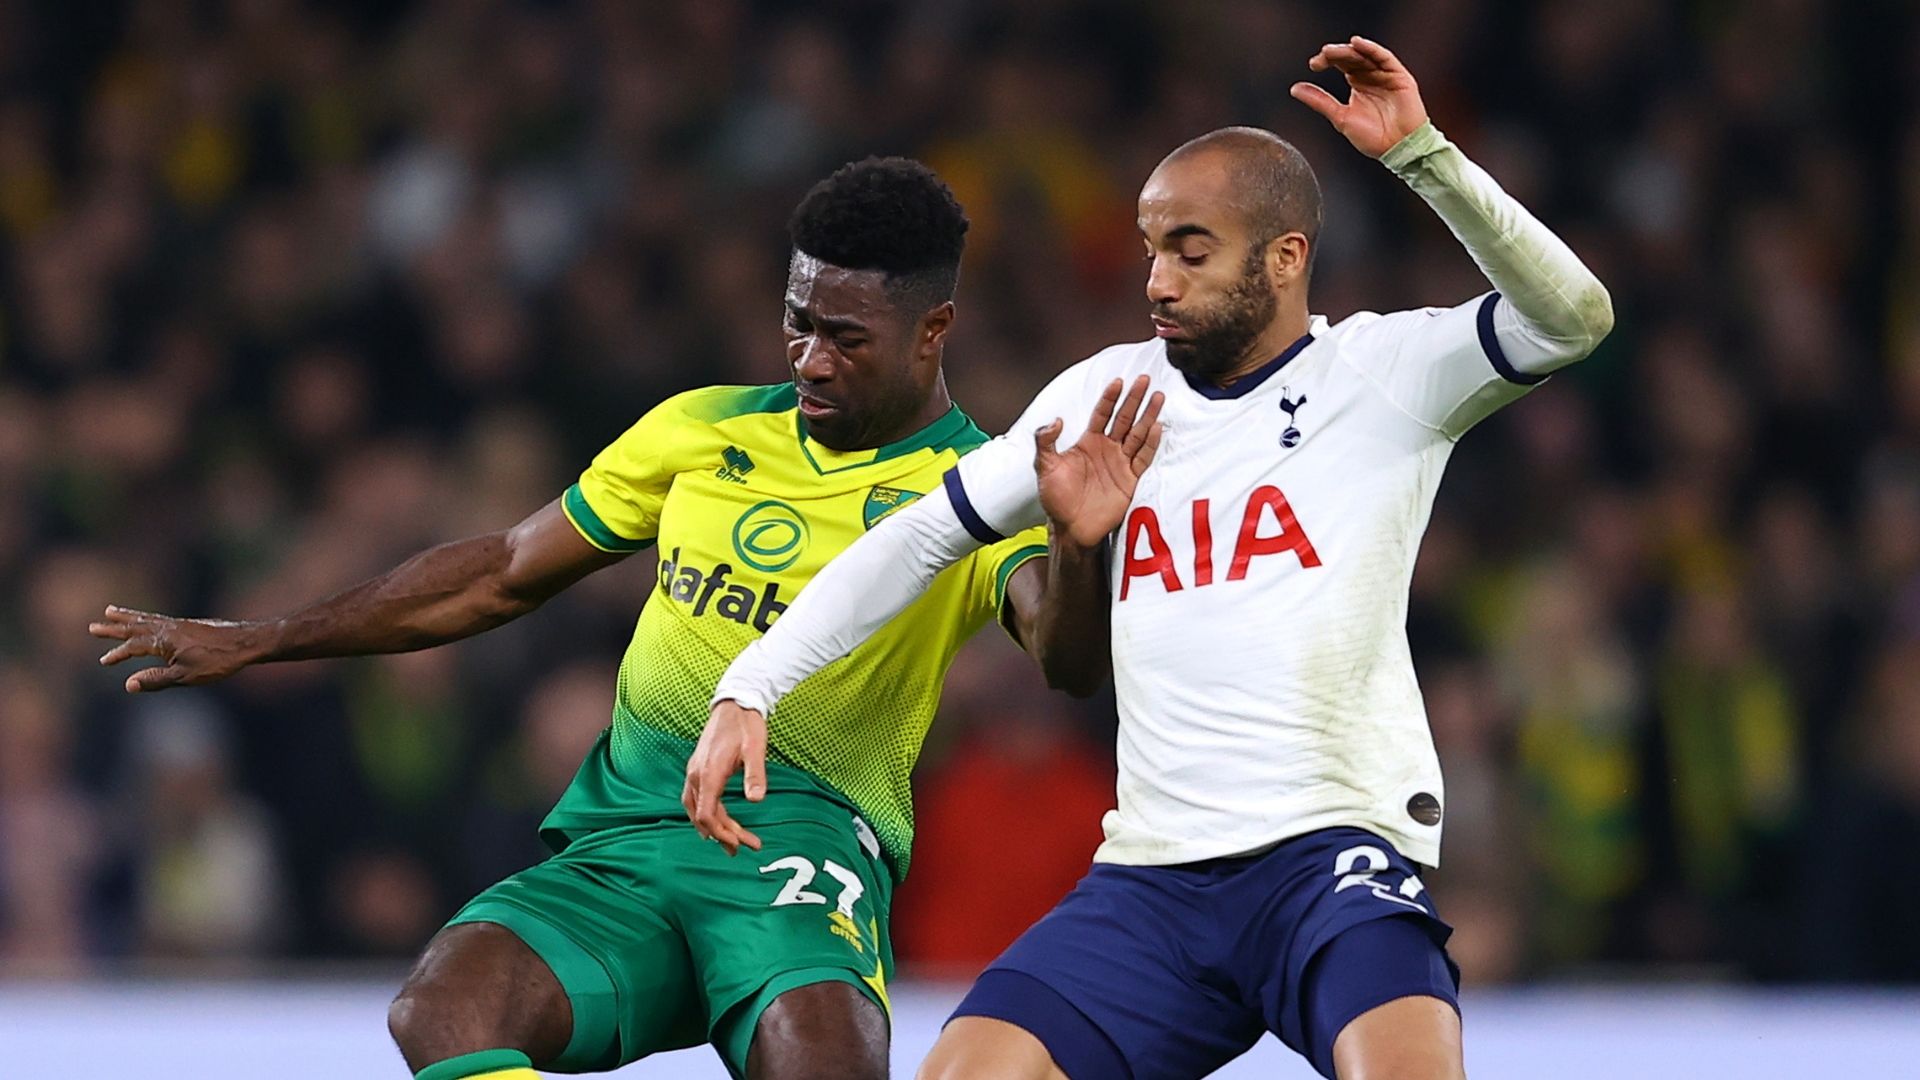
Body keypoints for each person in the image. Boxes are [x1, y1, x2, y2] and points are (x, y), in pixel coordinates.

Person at [88, 158, 1154, 1080]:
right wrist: (266, 637)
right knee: (444, 1007)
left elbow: (1066, 664)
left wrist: (1078, 543)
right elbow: (503, 570)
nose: (810, 358)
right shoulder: (703, 429)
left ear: (933, 330)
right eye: (797, 322)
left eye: (846, 337)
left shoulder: (976, 483)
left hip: (800, 837)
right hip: (631, 832)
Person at [692, 37, 1613, 1080]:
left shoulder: (1384, 373)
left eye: (1190, 252)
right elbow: (919, 535)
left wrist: (1425, 158)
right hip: (1154, 881)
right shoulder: (1106, 394)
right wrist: (752, 685)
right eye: (1149, 251)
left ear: (1285, 258)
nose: (1157, 282)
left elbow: (1573, 317)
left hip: (1326, 860)